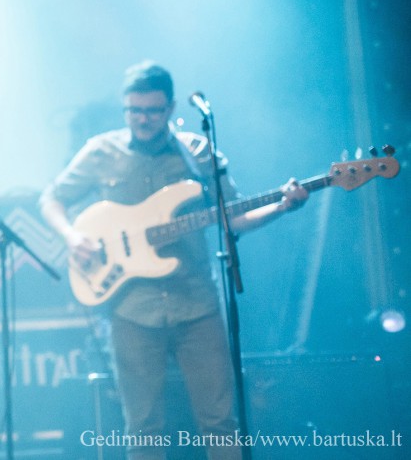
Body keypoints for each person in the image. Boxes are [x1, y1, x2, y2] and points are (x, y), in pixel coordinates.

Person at [39, 62, 308, 459]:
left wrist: (282, 207)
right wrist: (72, 237)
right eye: (134, 110)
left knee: (220, 423)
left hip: (196, 303)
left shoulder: (197, 153)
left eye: (152, 110)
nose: (143, 119)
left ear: (170, 108)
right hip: (131, 309)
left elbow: (233, 218)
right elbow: (51, 198)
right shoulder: (101, 152)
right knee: (143, 430)